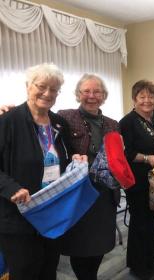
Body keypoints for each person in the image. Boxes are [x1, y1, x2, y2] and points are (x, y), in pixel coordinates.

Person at [0, 63, 76, 280]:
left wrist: (75, 159)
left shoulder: (60, 124)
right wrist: (11, 188)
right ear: (28, 86)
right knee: (25, 272)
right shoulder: (7, 121)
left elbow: (65, 157)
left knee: (48, 269)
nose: (47, 93)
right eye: (42, 86)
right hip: (18, 217)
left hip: (51, 213)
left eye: (53, 89)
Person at [58, 74, 120, 280]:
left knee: (100, 244)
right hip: (79, 194)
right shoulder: (64, 117)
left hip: (104, 195)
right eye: (86, 91)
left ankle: (90, 275)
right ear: (78, 94)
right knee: (80, 245)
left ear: (104, 96)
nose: (91, 96)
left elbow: (118, 157)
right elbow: (37, 121)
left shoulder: (113, 124)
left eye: (97, 91)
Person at [119, 80, 154, 280]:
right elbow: (127, 152)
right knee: (140, 221)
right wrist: (147, 158)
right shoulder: (127, 122)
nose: (147, 100)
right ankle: (138, 265)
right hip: (138, 178)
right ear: (134, 99)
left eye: (151, 96)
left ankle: (151, 260)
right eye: (142, 96)